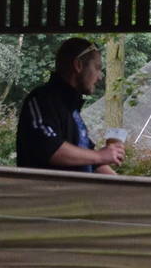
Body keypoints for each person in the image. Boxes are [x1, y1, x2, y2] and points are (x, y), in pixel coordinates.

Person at [16, 37, 125, 174]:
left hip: (75, 195)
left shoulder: (71, 109)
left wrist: (127, 187)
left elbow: (91, 159)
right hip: (48, 194)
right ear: (78, 65)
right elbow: (50, 148)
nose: (100, 76)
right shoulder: (41, 99)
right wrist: (100, 155)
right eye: (97, 68)